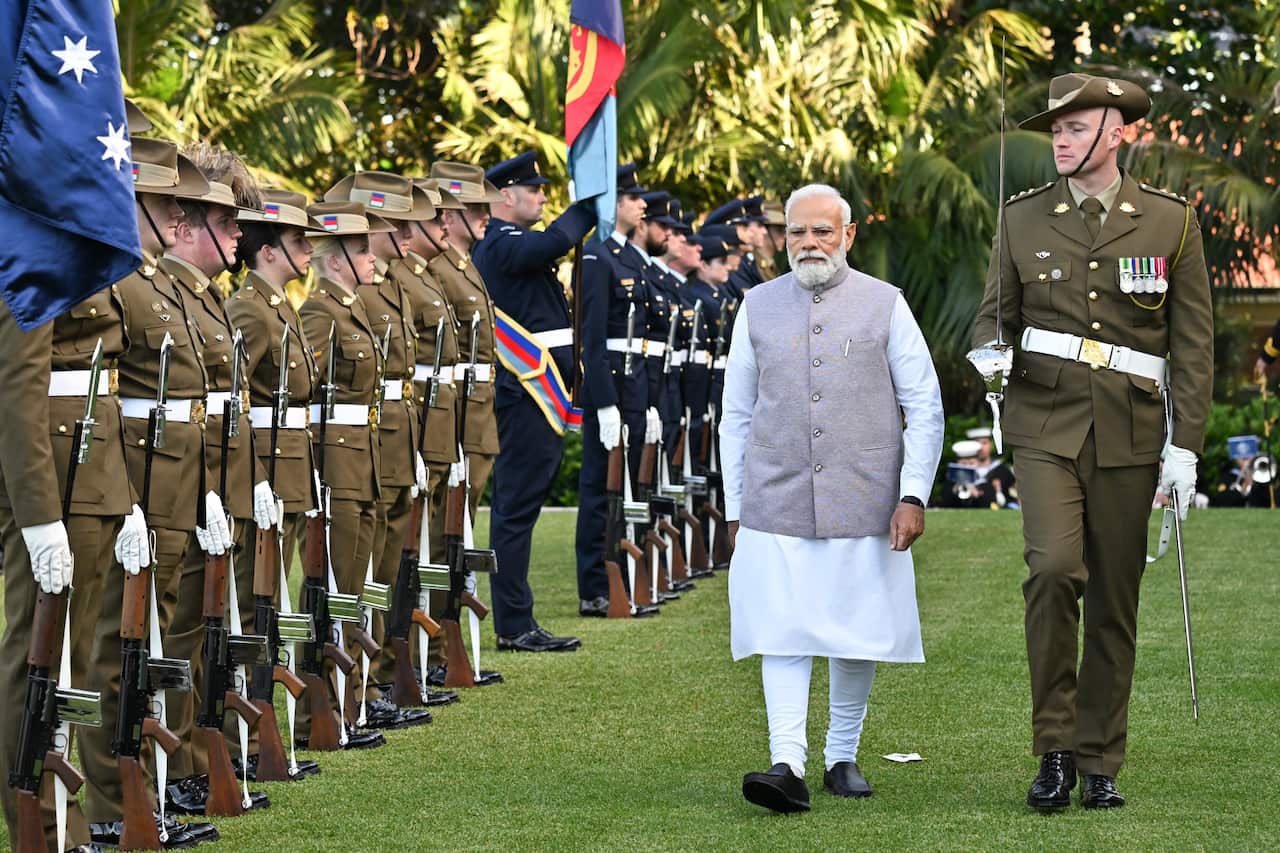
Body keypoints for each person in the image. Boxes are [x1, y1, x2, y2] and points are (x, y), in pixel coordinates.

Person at [972, 72, 1213, 810]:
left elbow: (1193, 345)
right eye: (1056, 130)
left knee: (1114, 595)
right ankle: (1054, 748)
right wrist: (988, 355)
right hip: (1044, 421)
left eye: (1076, 129)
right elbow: (992, 316)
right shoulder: (1022, 218)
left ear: (1117, 133)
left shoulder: (1170, 221)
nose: (1061, 141)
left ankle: (1099, 757)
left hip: (1132, 427)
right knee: (1053, 570)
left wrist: (1185, 446)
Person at [722, 183, 943, 813]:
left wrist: (913, 494)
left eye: (822, 231)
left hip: (865, 494)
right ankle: (786, 761)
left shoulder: (886, 303)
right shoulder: (756, 306)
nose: (809, 243)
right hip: (775, 494)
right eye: (797, 231)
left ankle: (841, 755)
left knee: (856, 629)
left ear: (848, 235)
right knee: (781, 628)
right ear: (783, 238)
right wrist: (735, 506)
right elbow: (735, 413)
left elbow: (924, 405)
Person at [158, 145, 275, 815]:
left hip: (213, 484)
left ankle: (200, 762)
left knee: (204, 635)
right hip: (178, 486)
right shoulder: (173, 293)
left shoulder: (206, 300)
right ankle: (176, 767)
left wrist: (240, 483)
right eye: (229, 221)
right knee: (179, 635)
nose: (240, 236)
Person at [472, 150, 593, 651]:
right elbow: (552, 243)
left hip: (537, 393)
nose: (543, 197)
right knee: (515, 509)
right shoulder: (500, 242)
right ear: (505, 196)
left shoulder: (512, 242)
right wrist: (589, 205)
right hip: (523, 393)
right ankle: (514, 623)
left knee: (521, 505)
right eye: (534, 189)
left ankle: (517, 618)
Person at [574, 163, 657, 618]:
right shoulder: (597, 256)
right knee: (598, 487)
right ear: (613, 204)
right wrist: (604, 402)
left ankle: (620, 579)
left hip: (635, 384)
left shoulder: (628, 258)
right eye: (632, 197)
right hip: (611, 386)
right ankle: (594, 587)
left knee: (626, 489)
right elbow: (592, 337)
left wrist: (647, 401)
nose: (642, 204)